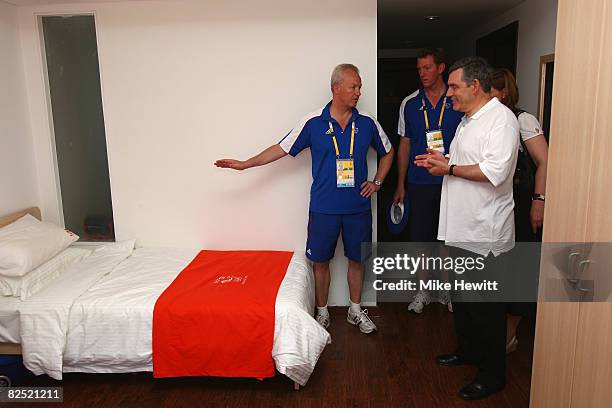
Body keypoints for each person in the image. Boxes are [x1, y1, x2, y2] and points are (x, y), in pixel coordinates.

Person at [215, 64, 394, 334]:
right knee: (320, 262)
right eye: (353, 86)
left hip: (358, 207)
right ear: (336, 88)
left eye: (359, 87)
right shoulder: (313, 122)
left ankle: (355, 310)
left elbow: (388, 151)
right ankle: (322, 312)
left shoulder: (367, 122)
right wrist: (246, 164)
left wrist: (377, 182)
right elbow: (281, 148)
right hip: (323, 207)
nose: (358, 92)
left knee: (357, 260)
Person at [415, 56, 519, 400]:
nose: (449, 94)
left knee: (486, 308)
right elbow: (460, 164)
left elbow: (495, 173)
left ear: (476, 85)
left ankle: (492, 375)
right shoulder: (467, 119)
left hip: (484, 234)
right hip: (460, 230)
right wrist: (442, 164)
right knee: (462, 301)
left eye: (455, 87)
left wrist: (449, 169)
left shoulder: (501, 120)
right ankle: (468, 352)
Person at [394, 48, 463, 313]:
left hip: (452, 180)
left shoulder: (457, 99)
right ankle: (422, 292)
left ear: (441, 68)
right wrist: (400, 184)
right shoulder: (410, 103)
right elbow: (405, 144)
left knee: (447, 238)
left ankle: (445, 292)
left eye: (428, 68)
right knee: (421, 240)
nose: (422, 73)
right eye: (419, 69)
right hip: (419, 181)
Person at [490, 68, 549, 353]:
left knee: (519, 268)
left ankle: (511, 334)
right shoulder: (488, 122)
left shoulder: (522, 119)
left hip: (522, 204)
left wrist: (539, 200)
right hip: (499, 205)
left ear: (502, 92)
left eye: (490, 91)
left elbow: (544, 161)